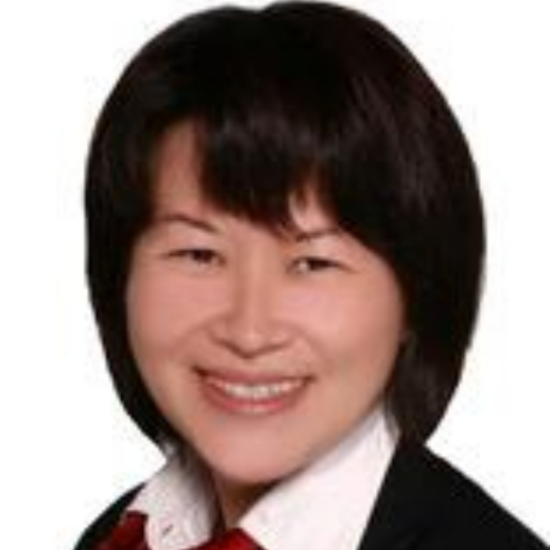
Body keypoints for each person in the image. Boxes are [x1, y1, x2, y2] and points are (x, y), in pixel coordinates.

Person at [74, 2, 548, 549]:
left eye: (313, 263)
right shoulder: (123, 536)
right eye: (199, 255)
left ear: (416, 296)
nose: (249, 332)